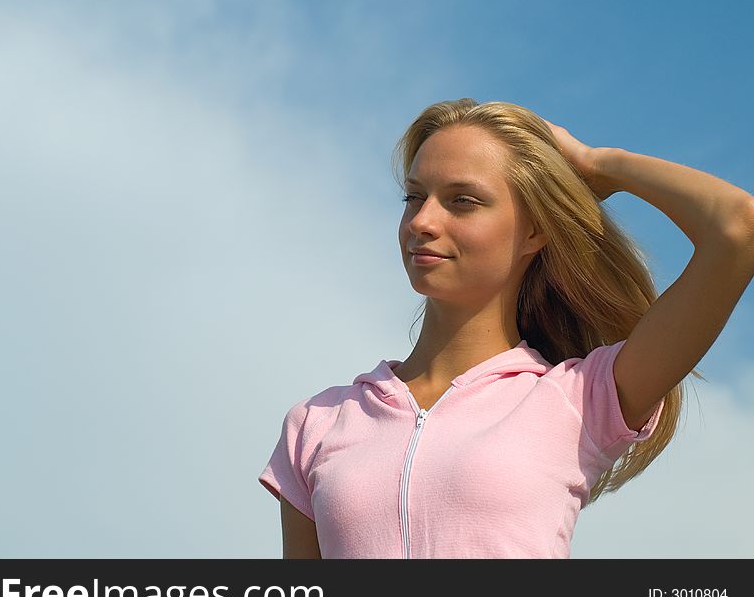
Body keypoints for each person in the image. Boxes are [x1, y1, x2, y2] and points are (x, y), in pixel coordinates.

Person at [258, 98, 754, 559]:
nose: (422, 221)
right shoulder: (318, 422)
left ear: (535, 230)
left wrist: (598, 163)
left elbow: (737, 226)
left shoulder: (581, 398)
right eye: (414, 196)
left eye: (462, 201)